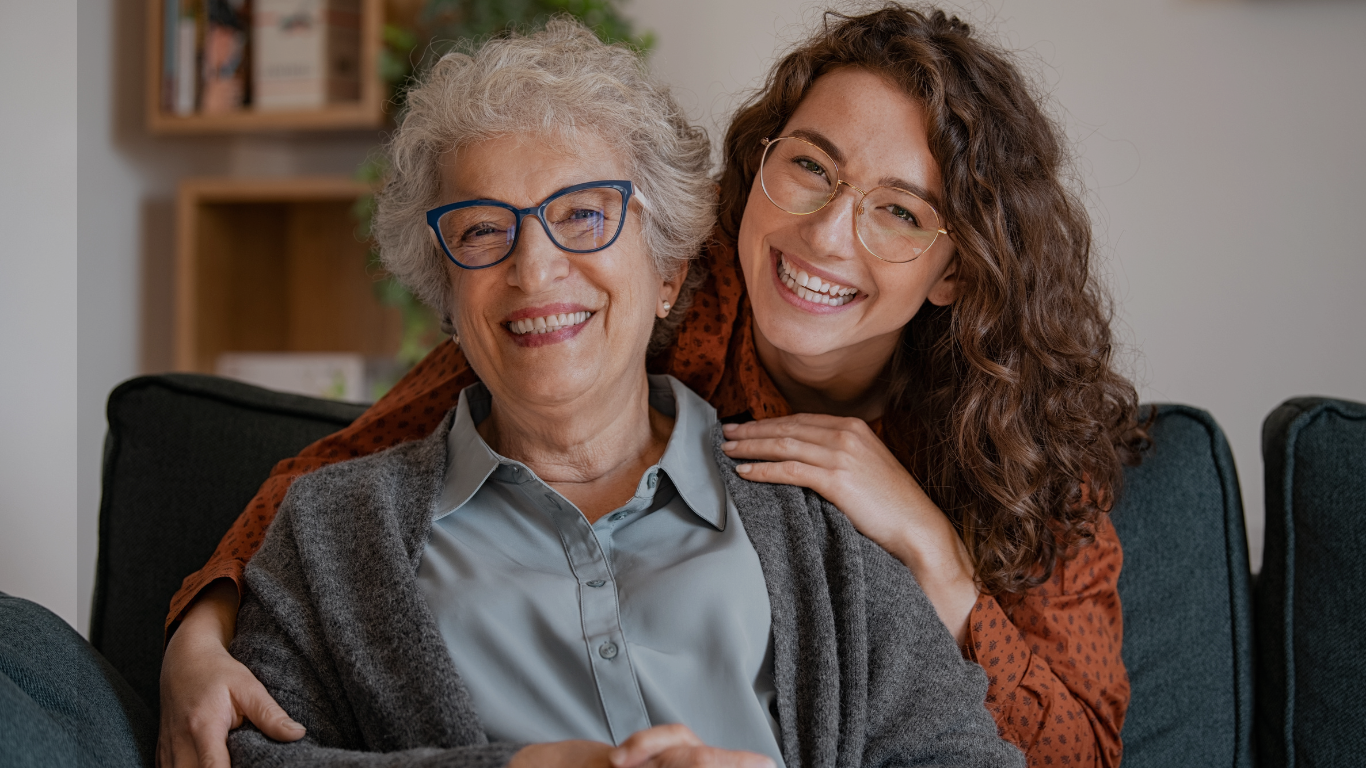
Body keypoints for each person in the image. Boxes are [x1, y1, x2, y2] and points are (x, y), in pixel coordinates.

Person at [159, 5, 1145, 767]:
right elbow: (338, 476)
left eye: (899, 211)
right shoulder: (678, 294)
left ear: (955, 269)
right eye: (808, 167)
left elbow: (1059, 752)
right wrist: (200, 633)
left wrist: (927, 549)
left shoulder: (1010, 448)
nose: (826, 234)